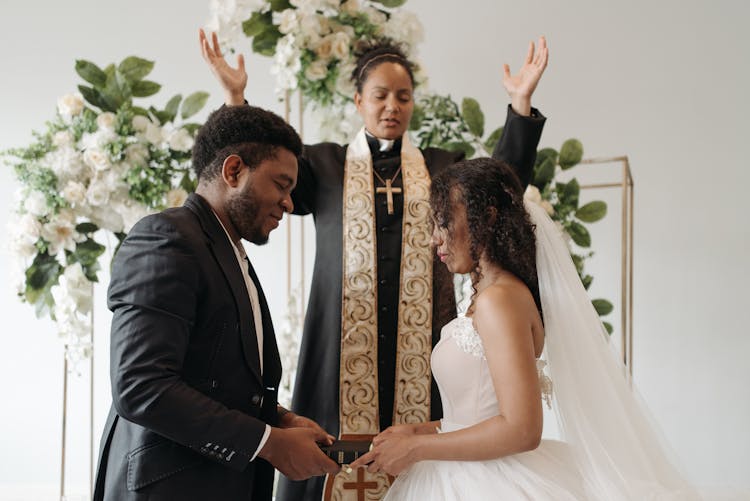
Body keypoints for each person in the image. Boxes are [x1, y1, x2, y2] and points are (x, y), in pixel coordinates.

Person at [200, 29, 548, 501]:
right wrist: (236, 98)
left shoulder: (441, 167)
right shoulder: (323, 167)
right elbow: (260, 176)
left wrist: (521, 108)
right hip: (338, 350)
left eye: (403, 97)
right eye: (380, 95)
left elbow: (497, 190)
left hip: (425, 355)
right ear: (358, 100)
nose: (392, 106)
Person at [351, 158, 700, 500]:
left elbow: (521, 429)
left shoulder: (499, 301)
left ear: (485, 217)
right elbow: (477, 415)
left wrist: (417, 447)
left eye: (443, 222)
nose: (434, 240)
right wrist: (418, 430)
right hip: (464, 473)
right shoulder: (492, 296)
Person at [93, 105, 340, 501]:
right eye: (281, 185)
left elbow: (213, 379)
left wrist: (280, 420)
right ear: (234, 171)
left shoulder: (229, 253)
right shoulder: (167, 238)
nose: (289, 204)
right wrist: (268, 442)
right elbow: (142, 385)